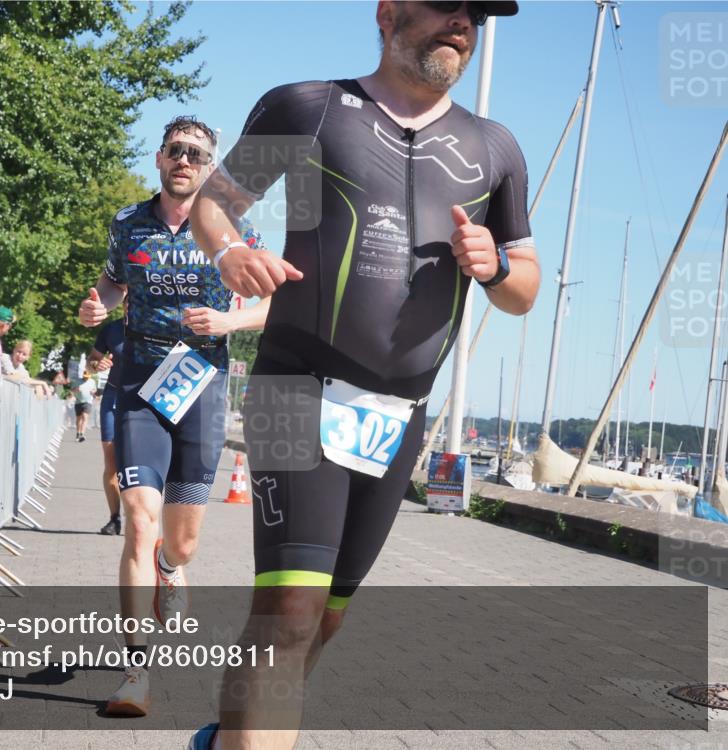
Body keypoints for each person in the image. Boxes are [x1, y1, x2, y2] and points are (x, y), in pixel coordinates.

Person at [187, 2, 540, 748]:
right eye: (446, 5)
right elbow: (214, 205)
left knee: (327, 617)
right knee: (287, 614)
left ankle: (226, 739)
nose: (461, 25)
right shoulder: (309, 107)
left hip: (398, 411)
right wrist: (229, 254)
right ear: (387, 12)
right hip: (294, 382)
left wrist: (499, 265)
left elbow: (525, 288)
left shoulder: (493, 147)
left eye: (475, 15)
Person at [78, 115, 271, 717]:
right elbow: (112, 285)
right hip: (138, 380)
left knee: (180, 542)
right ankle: (135, 673)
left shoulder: (234, 230)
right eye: (175, 151)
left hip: (203, 385)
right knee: (139, 518)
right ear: (159, 161)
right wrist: (97, 306)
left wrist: (228, 322)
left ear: (211, 168)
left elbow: (271, 302)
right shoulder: (128, 223)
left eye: (197, 154)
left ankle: (169, 566)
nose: (185, 160)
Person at [87, 305, 127, 536]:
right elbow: (92, 360)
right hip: (113, 398)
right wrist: (96, 364)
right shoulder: (111, 330)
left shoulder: (158, 328)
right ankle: (114, 518)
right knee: (112, 464)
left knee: (136, 463)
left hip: (144, 400)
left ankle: (141, 517)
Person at [73, 371, 96, 442]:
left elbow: (95, 389)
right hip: (78, 401)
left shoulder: (92, 381)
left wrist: (93, 391)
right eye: (85, 377)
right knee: (79, 418)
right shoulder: (77, 381)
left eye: (87, 377)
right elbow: (72, 389)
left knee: (85, 417)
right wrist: (76, 390)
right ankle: (78, 432)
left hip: (88, 401)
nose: (86, 378)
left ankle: (82, 434)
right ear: (83, 375)